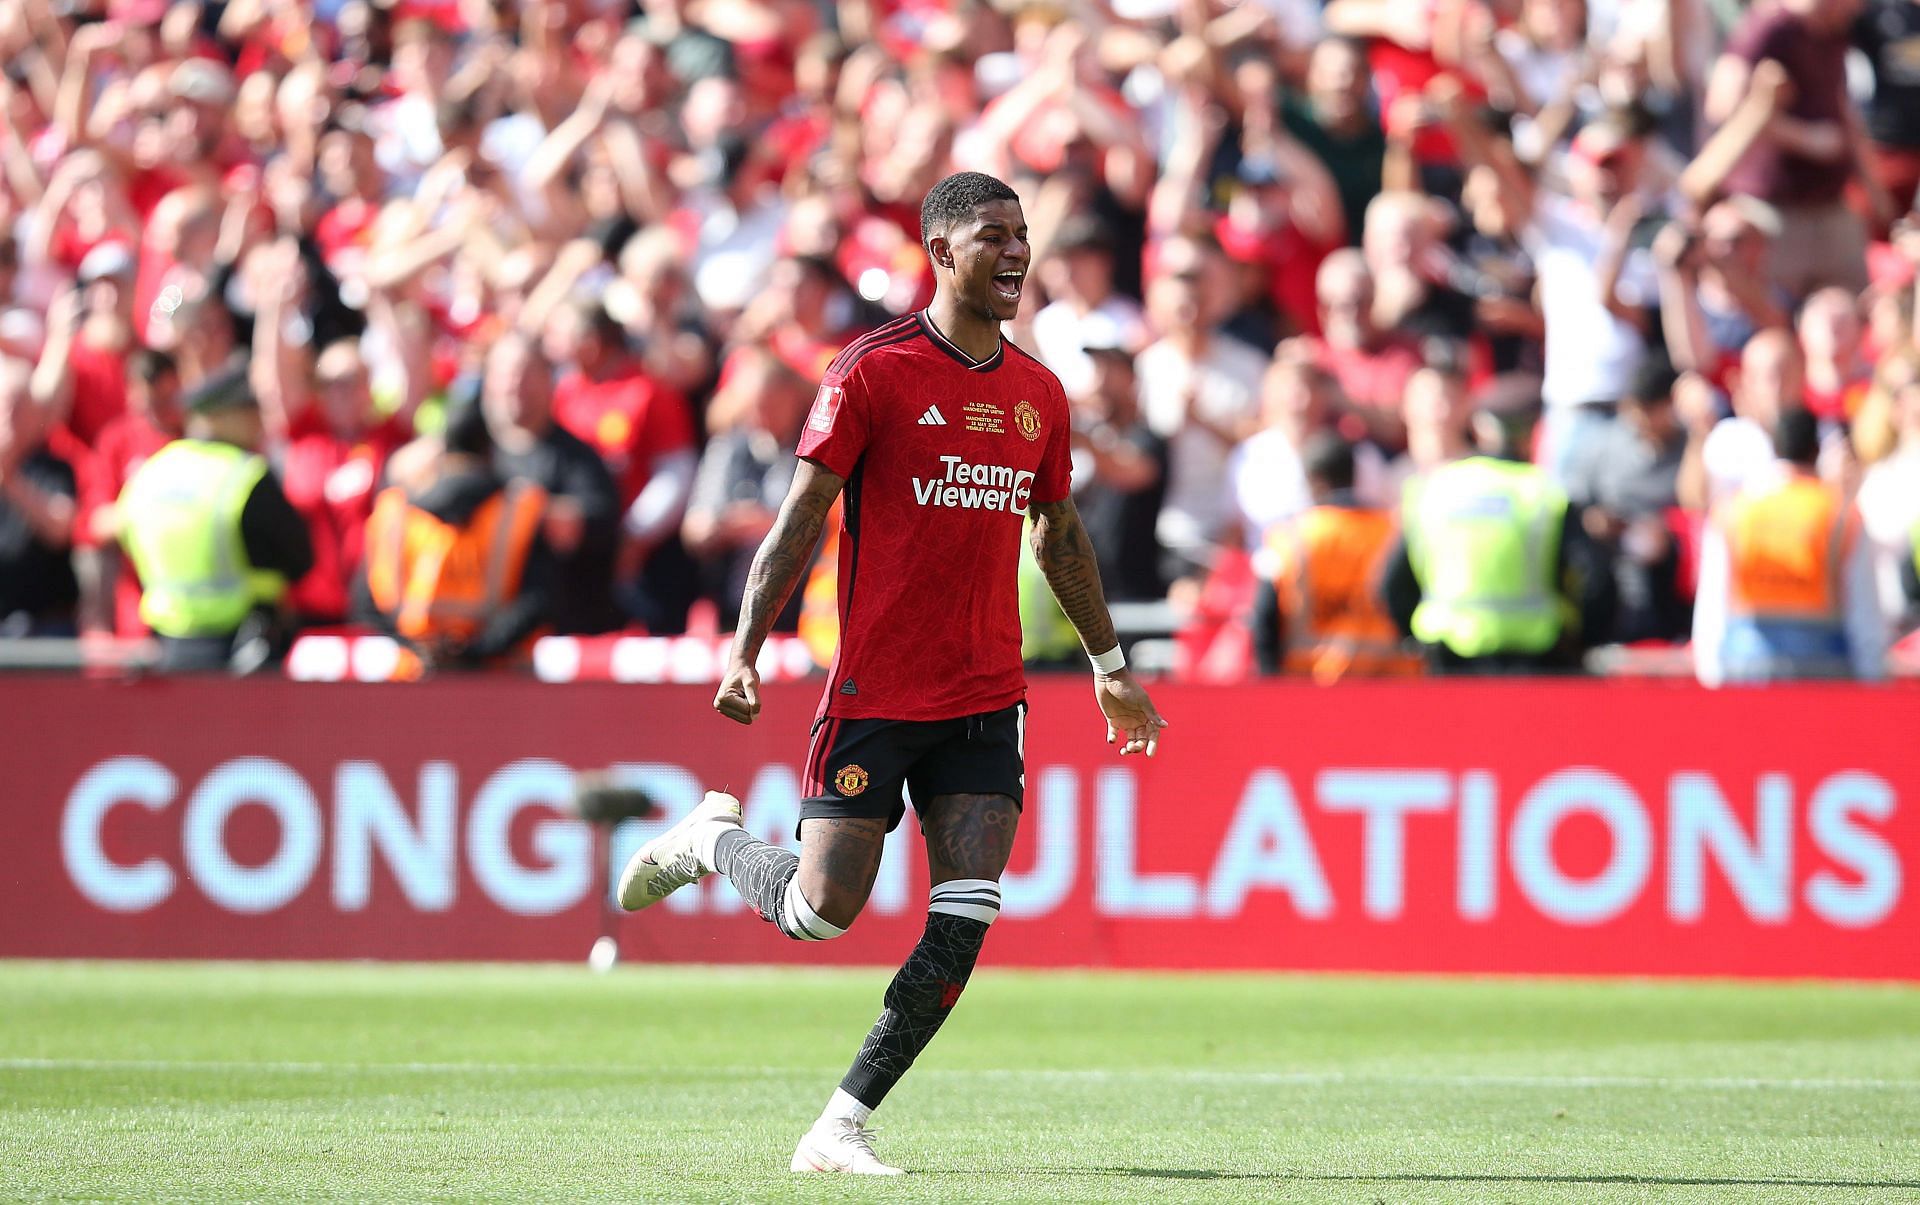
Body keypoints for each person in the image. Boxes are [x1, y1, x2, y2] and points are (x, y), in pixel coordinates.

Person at [614, 172, 1166, 1176]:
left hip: (988, 693)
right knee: (820, 912)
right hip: (876, 689)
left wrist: (1109, 664)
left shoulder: (1039, 394)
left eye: (1023, 233)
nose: (1015, 251)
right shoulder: (871, 371)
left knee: (965, 914)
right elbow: (798, 521)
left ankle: (840, 1123)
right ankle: (715, 837)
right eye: (993, 233)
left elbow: (1058, 530)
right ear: (940, 250)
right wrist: (744, 648)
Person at [1383, 375, 1612, 673]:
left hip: (1448, 661)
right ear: (1534, 433)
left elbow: (1390, 585)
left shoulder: (1432, 490)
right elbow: (1596, 580)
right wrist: (1581, 642)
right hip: (1536, 661)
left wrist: (1415, 641)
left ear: (1480, 427)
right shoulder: (1543, 493)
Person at [116, 362, 314, 672]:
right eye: (251, 413)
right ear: (224, 416)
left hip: (168, 648)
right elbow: (299, 557)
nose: (259, 424)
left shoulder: (150, 472)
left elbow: (127, 538)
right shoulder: (245, 475)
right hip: (244, 649)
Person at [357, 399, 553, 675]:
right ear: (490, 450)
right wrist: (474, 652)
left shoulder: (395, 511)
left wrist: (418, 648)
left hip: (412, 677)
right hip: (494, 680)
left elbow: (365, 606)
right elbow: (538, 599)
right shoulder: (519, 510)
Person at [1693, 407, 1884, 683]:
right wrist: (1872, 677)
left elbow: (1712, 605)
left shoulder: (1734, 509)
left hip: (1746, 665)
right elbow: (1864, 609)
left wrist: (1711, 674)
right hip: (1824, 669)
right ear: (1815, 450)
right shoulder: (1841, 513)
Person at [1252, 431, 1422, 681]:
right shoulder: (1393, 530)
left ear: (1314, 481)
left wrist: (1271, 682)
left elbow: (1264, 618)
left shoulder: (1289, 537)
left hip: (1309, 684)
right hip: (1389, 683)